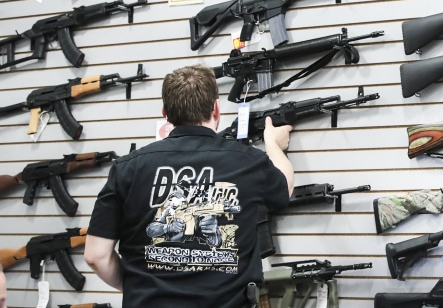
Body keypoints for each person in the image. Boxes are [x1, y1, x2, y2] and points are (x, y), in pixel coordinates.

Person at [85, 64, 294, 308]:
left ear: (166, 112)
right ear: (216, 109)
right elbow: (285, 187)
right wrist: (273, 145)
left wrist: (137, 286)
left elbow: (96, 256)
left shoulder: (127, 168)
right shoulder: (248, 161)